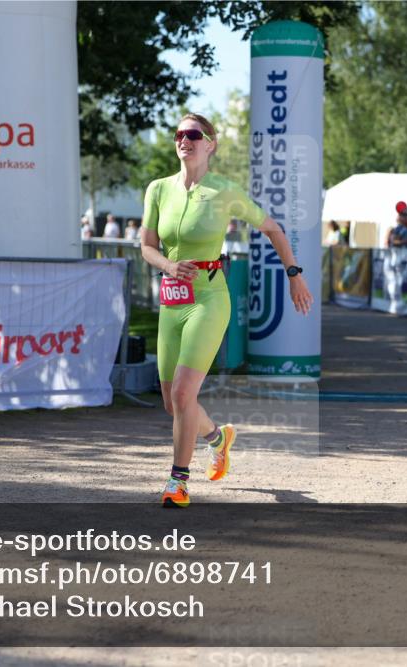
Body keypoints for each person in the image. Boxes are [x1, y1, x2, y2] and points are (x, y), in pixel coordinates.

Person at [139, 112, 312, 508]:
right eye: (180, 134)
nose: (185, 140)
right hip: (172, 299)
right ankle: (219, 438)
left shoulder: (225, 191)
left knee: (184, 393)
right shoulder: (158, 189)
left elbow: (273, 228)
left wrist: (294, 274)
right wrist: (167, 265)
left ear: (210, 143)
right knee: (171, 402)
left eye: (194, 134)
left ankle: (178, 482)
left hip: (209, 298)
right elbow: (146, 245)